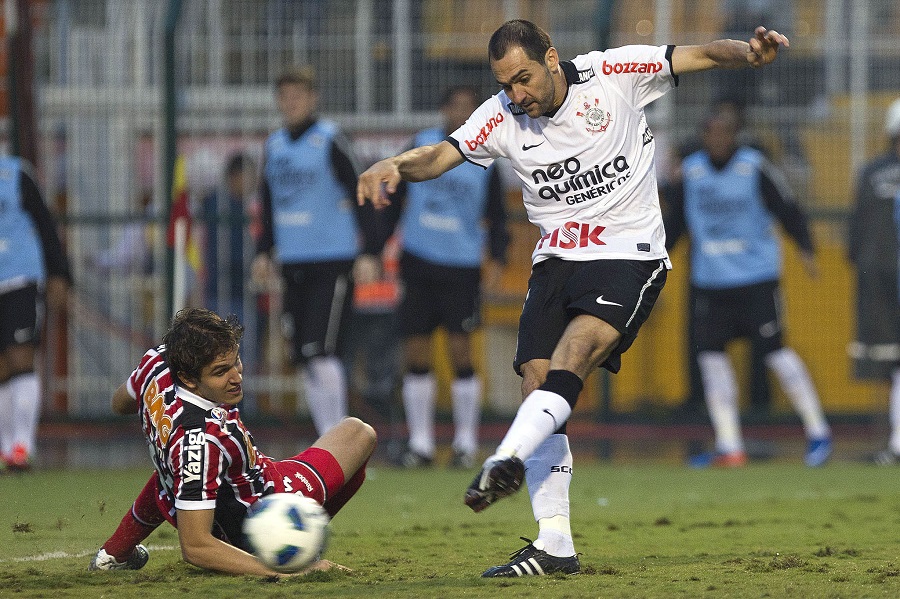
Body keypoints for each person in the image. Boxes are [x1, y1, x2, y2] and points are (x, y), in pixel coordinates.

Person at [357, 19, 791, 577]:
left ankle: (506, 456)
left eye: (523, 79)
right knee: (537, 382)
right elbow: (441, 155)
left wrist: (749, 54)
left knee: (574, 356)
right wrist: (395, 163)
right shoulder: (500, 116)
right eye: (506, 84)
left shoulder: (612, 74)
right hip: (556, 261)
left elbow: (701, 54)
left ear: (552, 59)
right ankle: (555, 545)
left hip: (627, 253)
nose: (517, 94)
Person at [89, 308, 377, 576]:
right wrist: (289, 571)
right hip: (255, 507)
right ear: (188, 378)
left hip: (182, 491)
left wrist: (158, 413)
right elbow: (196, 547)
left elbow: (120, 402)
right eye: (220, 372)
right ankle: (288, 542)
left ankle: (115, 552)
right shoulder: (200, 441)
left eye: (235, 361)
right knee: (360, 434)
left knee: (175, 476)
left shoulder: (157, 361)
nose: (236, 377)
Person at [663, 107, 832, 468]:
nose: (719, 139)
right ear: (704, 136)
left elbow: (788, 208)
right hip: (710, 282)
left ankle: (818, 431)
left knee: (775, 352)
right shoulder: (691, 172)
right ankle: (729, 444)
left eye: (726, 132)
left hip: (756, 278)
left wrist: (805, 248)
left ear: (736, 135)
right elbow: (673, 223)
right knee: (710, 359)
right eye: (712, 132)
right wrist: (656, 264)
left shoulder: (754, 167)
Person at [362, 85, 509, 469]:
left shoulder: (486, 156)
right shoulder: (423, 146)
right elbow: (395, 198)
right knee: (416, 350)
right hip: (418, 261)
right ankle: (422, 444)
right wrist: (378, 248)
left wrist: (498, 257)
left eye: (467, 108)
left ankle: (464, 443)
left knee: (461, 351)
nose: (460, 114)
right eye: (455, 106)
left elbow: (497, 216)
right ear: (443, 109)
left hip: (461, 267)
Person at [252, 66, 380, 435]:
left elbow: (362, 192)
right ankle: (327, 437)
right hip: (292, 262)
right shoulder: (274, 145)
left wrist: (369, 251)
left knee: (323, 350)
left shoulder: (330, 139)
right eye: (284, 97)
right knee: (304, 355)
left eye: (297, 96)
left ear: (312, 98)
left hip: (332, 260)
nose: (290, 103)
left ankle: (340, 442)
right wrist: (264, 251)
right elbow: (268, 202)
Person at [0, 156, 72, 472]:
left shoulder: (16, 174)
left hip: (20, 278)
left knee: (20, 359)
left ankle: (22, 447)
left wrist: (59, 273)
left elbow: (45, 222)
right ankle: (5, 449)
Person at [848, 97, 900, 464]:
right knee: (893, 365)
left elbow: (856, 235)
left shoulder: (870, 172)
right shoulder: (870, 173)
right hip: (884, 281)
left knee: (891, 363)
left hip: (879, 280)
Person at [201, 152, 263, 377]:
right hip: (228, 292)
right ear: (235, 176)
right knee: (233, 362)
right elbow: (231, 253)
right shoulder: (223, 207)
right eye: (250, 177)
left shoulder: (227, 205)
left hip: (232, 292)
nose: (253, 183)